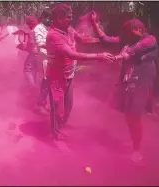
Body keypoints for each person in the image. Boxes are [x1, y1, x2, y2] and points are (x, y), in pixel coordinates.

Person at [91, 13, 158, 163]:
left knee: (134, 116)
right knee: (130, 117)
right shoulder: (127, 40)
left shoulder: (149, 40)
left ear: (141, 30)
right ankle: (135, 143)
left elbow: (134, 51)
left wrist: (116, 57)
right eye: (127, 32)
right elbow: (105, 39)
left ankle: (137, 150)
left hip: (142, 83)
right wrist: (95, 23)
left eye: (131, 31)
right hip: (129, 83)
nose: (128, 35)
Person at [46, 3, 114, 142]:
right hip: (56, 78)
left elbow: (82, 39)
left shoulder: (69, 29)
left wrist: (100, 39)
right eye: (68, 17)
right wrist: (98, 56)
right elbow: (72, 54)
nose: (71, 19)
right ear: (58, 18)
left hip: (69, 75)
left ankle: (58, 129)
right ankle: (54, 135)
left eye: (71, 17)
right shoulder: (53, 35)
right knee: (58, 109)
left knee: (69, 106)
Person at [33, 8, 52, 115]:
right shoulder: (38, 28)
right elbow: (40, 43)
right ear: (43, 17)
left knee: (49, 83)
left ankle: (43, 104)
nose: (50, 21)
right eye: (48, 18)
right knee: (46, 83)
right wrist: (55, 46)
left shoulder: (51, 28)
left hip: (52, 59)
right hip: (44, 59)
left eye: (52, 19)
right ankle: (40, 105)